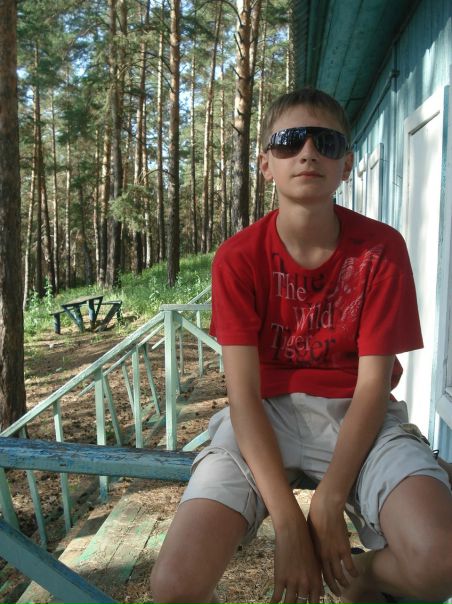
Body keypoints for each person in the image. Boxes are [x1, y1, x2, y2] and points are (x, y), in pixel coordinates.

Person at [151, 88, 452, 604]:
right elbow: (243, 396)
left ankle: (361, 578)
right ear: (265, 164)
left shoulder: (380, 250)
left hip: (359, 416)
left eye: (326, 143)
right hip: (262, 416)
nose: (308, 152)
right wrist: (290, 523)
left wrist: (328, 501)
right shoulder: (238, 257)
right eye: (289, 141)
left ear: (347, 164)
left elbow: (372, 385)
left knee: (441, 562)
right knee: (174, 587)